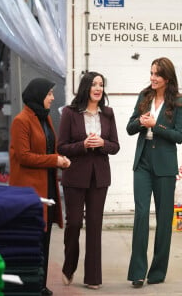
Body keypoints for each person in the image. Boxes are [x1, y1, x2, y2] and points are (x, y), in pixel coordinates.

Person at [126, 57, 182, 288]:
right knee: (141, 215)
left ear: (167, 78)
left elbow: (179, 136)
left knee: (164, 219)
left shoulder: (179, 103)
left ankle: (158, 271)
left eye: (157, 75)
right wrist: (142, 123)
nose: (152, 78)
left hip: (164, 165)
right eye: (151, 73)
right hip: (142, 162)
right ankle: (137, 273)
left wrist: (156, 126)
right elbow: (130, 128)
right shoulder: (144, 97)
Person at [57, 71, 120, 290]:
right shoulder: (70, 113)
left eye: (101, 85)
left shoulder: (108, 114)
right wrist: (82, 145)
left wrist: (102, 143)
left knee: (95, 225)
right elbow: (61, 147)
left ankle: (93, 277)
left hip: (99, 178)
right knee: (74, 223)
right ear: (86, 87)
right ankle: (68, 266)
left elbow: (115, 146)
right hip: (74, 176)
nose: (98, 88)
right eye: (94, 84)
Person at [9, 78, 71, 296]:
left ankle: (40, 284)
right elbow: (24, 157)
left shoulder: (45, 119)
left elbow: (47, 149)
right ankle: (27, 285)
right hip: (29, 190)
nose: (53, 98)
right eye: (49, 94)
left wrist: (59, 159)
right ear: (38, 95)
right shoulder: (21, 121)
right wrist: (55, 160)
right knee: (30, 240)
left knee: (45, 238)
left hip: (48, 187)